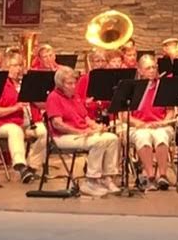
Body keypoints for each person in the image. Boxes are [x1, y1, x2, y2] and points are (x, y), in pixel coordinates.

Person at [45, 65, 121, 197]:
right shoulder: (53, 97)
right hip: (62, 137)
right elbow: (58, 124)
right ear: (60, 84)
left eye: (74, 82)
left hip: (80, 133)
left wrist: (96, 126)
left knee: (112, 138)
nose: (74, 86)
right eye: (69, 83)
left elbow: (85, 117)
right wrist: (79, 132)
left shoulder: (74, 96)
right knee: (98, 142)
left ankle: (106, 177)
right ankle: (91, 180)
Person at [0, 53, 46, 184]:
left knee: (43, 131)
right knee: (15, 130)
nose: (18, 69)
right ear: (6, 67)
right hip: (4, 125)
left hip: (28, 123)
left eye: (20, 65)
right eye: (14, 66)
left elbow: (39, 104)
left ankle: (32, 167)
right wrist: (15, 108)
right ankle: (21, 166)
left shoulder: (26, 83)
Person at [126, 54, 175, 191]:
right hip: (140, 126)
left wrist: (163, 122)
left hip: (160, 125)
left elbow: (170, 111)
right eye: (148, 68)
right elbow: (124, 116)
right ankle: (150, 176)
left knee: (161, 136)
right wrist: (138, 124)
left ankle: (163, 175)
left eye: (154, 67)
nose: (152, 70)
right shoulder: (132, 88)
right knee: (143, 137)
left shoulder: (163, 87)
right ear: (140, 70)